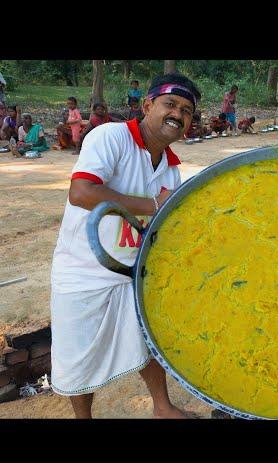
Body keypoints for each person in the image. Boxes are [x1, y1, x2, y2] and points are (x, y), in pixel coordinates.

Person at [50, 72, 202, 419]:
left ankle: (162, 408)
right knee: (78, 357)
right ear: (148, 105)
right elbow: (82, 192)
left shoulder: (170, 170)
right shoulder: (111, 137)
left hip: (130, 272)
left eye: (187, 111)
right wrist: (154, 204)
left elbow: (160, 229)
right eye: (170, 104)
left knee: (146, 343)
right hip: (83, 270)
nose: (178, 114)